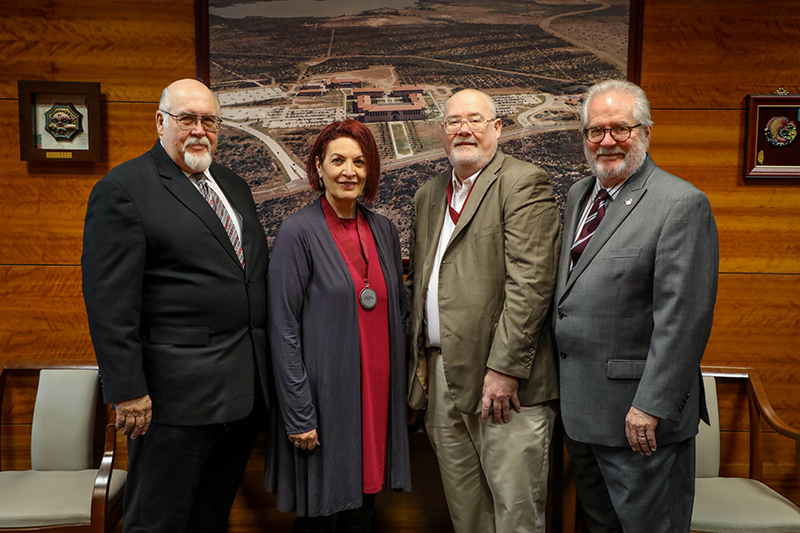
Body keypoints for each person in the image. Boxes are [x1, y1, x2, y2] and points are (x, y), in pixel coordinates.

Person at [81, 78, 270, 533]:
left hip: (240, 392)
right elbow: (108, 300)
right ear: (161, 122)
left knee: (209, 518)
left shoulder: (232, 185)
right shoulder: (125, 188)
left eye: (209, 120)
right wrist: (127, 389)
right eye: (187, 119)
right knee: (158, 522)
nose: (199, 130)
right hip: (172, 400)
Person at [554, 79, 719, 533]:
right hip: (583, 414)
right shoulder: (578, 197)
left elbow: (684, 318)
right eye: (595, 130)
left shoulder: (680, 203)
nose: (607, 141)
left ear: (645, 132)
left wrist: (650, 405)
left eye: (620, 128)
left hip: (639, 422)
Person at [405, 89, 561, 533]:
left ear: (497, 128)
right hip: (441, 377)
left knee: (516, 514)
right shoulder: (429, 194)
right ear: (442, 132)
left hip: (504, 383)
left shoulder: (523, 182)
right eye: (454, 122)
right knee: (467, 513)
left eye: (475, 120)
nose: (463, 130)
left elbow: (532, 283)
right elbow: (420, 285)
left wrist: (505, 368)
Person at [266, 120, 411, 533]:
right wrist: (299, 414)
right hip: (322, 404)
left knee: (363, 512)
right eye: (338, 160)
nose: (349, 171)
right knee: (315, 514)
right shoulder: (297, 232)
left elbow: (395, 312)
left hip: (375, 402)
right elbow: (283, 328)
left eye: (360, 162)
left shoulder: (383, 229)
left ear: (370, 170)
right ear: (319, 165)